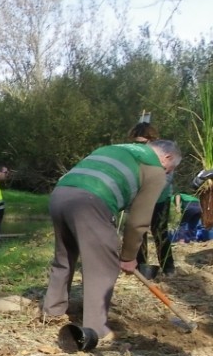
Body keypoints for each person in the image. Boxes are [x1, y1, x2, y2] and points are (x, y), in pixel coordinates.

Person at [41, 138, 181, 342]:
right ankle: (96, 329)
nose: (168, 173)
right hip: (91, 201)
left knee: (64, 257)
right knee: (103, 267)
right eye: (170, 169)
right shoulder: (155, 169)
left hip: (60, 194)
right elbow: (138, 221)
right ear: (166, 157)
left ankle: (52, 310)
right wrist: (128, 256)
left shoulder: (117, 148)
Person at [128, 119, 174, 278]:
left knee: (160, 232)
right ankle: (141, 267)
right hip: (139, 200)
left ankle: (168, 268)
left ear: (153, 140)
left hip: (160, 199)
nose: (139, 146)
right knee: (138, 233)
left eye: (143, 142)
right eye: (136, 143)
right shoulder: (133, 154)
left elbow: (166, 179)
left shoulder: (164, 154)